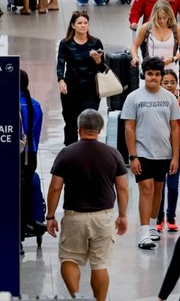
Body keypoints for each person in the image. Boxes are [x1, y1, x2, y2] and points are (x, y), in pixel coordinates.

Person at [46, 109, 128, 301]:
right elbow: (123, 188)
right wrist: (122, 215)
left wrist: (50, 216)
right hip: (104, 217)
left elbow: (55, 188)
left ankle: (76, 297)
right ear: (99, 129)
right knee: (99, 264)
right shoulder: (113, 153)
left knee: (69, 258)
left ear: (79, 128)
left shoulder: (67, 153)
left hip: (75, 216)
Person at [122, 56, 180, 249]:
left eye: (157, 74)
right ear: (144, 75)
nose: (153, 78)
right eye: (150, 74)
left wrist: (175, 157)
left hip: (163, 153)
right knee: (146, 188)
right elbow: (129, 128)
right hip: (142, 152)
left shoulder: (170, 98)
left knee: (157, 189)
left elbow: (175, 129)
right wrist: (133, 156)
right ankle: (144, 232)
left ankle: (154, 223)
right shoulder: (134, 98)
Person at [56, 11, 105, 146]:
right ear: (73, 25)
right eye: (79, 23)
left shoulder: (96, 42)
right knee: (70, 122)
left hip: (90, 89)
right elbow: (60, 64)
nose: (83, 26)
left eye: (85, 23)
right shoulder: (65, 44)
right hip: (71, 88)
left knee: (89, 122)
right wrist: (61, 80)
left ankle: (89, 148)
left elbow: (102, 69)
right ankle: (70, 150)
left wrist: (97, 60)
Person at [156, 69, 180, 232]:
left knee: (173, 184)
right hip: (158, 147)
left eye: (173, 82)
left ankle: (171, 217)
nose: (170, 85)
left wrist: (177, 137)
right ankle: (158, 218)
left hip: (177, 147)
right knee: (159, 183)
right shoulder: (156, 102)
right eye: (166, 82)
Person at [129, 0, 180, 77]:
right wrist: (135, 57)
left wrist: (173, 59)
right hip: (151, 72)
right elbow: (134, 46)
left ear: (169, 16)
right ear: (154, 16)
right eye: (159, 18)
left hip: (170, 73)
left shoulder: (177, 29)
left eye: (165, 17)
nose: (162, 21)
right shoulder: (146, 28)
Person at [20, 69, 44, 241]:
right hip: (30, 155)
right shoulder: (34, 105)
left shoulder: (3, 103)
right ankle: (33, 218)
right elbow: (36, 135)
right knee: (30, 182)